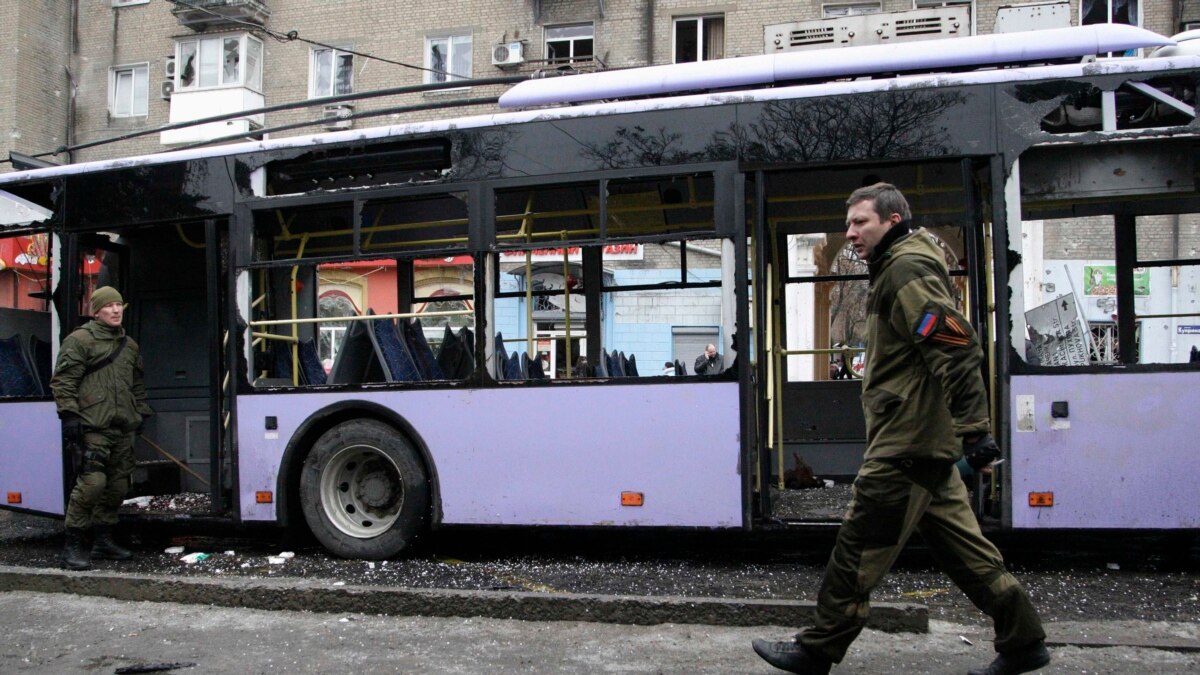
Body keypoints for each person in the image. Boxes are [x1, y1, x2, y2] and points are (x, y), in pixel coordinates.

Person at [752, 183, 1049, 675]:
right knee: (968, 553)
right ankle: (1023, 641)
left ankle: (817, 649)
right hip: (924, 443)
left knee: (857, 547)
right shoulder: (896, 266)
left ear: (892, 220)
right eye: (847, 224)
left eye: (859, 222)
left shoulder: (907, 268)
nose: (850, 233)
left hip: (906, 444)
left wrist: (976, 429)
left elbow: (954, 345)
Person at [51, 286, 154, 571]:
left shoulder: (129, 345)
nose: (116, 310)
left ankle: (103, 541)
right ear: (96, 311)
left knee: (118, 485)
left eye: (119, 304)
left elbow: (136, 385)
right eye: (109, 306)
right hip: (92, 426)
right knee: (92, 485)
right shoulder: (80, 340)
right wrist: (69, 417)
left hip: (122, 427)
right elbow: (63, 382)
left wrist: (141, 412)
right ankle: (72, 546)